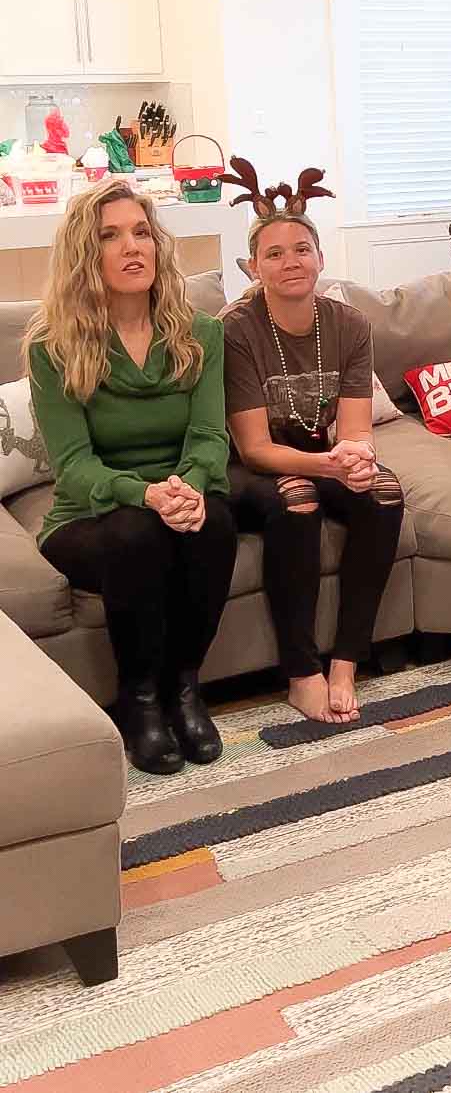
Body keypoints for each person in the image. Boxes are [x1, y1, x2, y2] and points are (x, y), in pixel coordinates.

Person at [26, 181, 236, 776]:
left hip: (176, 497)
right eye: (110, 237)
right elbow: (75, 466)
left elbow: (208, 438)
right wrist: (144, 494)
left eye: (141, 232)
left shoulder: (202, 335)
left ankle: (185, 688)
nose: (131, 247)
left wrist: (190, 487)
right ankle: (139, 701)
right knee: (135, 535)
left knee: (215, 523)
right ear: (85, 256)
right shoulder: (53, 347)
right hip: (91, 517)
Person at [219, 159, 404, 725]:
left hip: (321, 452)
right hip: (253, 469)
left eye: (301, 249)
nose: (290, 262)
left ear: (320, 258)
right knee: (295, 499)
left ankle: (348, 659)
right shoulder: (237, 328)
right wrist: (331, 465)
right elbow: (254, 448)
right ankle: (301, 671)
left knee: (385, 493)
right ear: (253, 267)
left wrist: (356, 457)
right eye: (273, 254)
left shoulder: (348, 325)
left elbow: (355, 426)